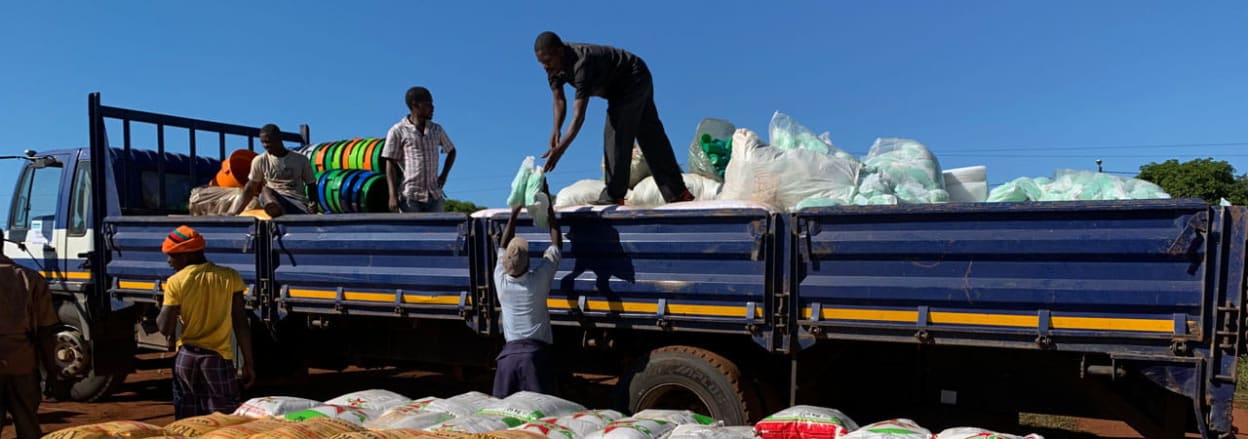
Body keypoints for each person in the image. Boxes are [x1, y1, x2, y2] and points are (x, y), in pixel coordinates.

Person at [535, 31, 694, 206]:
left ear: (560, 52)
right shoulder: (553, 68)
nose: (545, 66)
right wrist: (556, 129)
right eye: (541, 62)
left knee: (616, 131)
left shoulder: (582, 62)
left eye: (548, 61)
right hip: (622, 86)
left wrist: (561, 149)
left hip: (632, 77)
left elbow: (579, 115)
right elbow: (559, 100)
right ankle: (678, 192)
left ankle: (614, 194)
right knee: (650, 135)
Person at [157, 226, 255, 419]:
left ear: (188, 255)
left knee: (187, 418)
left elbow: (164, 329)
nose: (169, 261)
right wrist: (248, 363)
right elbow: (241, 323)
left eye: (172, 255)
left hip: (186, 359)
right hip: (217, 359)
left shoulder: (176, 282)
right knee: (223, 418)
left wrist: (165, 305)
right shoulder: (230, 276)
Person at [492, 198, 561, 398]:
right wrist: (549, 208)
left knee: (504, 416)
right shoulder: (539, 279)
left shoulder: (500, 281)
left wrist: (513, 213)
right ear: (529, 261)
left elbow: (503, 245)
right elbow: (557, 243)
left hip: (507, 359)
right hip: (535, 358)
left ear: (505, 264)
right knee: (540, 413)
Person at [0, 229, 60, 439]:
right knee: (28, 425)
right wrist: (51, 373)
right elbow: (45, 331)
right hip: (23, 363)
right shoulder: (30, 278)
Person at [383, 86, 458, 213]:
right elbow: (390, 163)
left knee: (437, 232)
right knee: (413, 232)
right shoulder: (398, 130)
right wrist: (392, 195)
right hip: (410, 196)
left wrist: (444, 176)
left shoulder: (436, 129)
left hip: (434, 195)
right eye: (428, 104)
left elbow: (451, 150)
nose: (432, 108)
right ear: (415, 105)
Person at [233, 124, 317, 216]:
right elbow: (250, 188)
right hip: (274, 199)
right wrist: (234, 212)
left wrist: (313, 204)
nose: (265, 145)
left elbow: (311, 185)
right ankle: (275, 210)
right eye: (263, 142)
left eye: (268, 142)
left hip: (296, 201)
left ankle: (284, 213)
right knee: (265, 190)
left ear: (279, 138)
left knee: (301, 210)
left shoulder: (300, 159)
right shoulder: (260, 160)